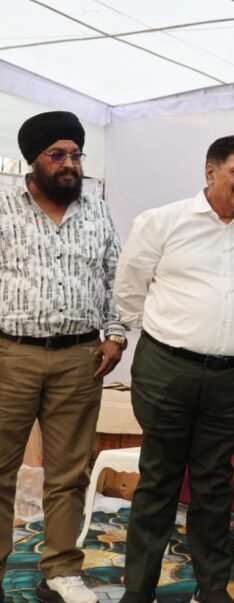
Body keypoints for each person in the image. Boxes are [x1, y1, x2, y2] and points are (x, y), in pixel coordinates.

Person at [114, 136, 234, 603]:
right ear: (210, 172)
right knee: (159, 480)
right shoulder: (162, 222)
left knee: (214, 484)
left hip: (232, 378)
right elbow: (129, 289)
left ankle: (213, 589)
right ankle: (138, 590)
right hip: (167, 371)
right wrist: (168, 337)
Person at [0, 111, 126, 603]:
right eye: (57, 155)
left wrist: (115, 336)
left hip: (80, 358)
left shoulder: (98, 212)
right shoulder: (3, 208)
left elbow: (117, 278)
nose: (70, 164)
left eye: (76, 154)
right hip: (11, 356)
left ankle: (60, 569)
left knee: (70, 473)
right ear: (33, 160)